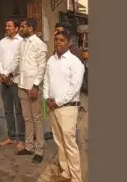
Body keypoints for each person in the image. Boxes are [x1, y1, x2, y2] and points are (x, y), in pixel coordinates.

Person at [44, 29, 86, 182]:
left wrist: (58, 101)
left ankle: (76, 178)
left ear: (69, 43)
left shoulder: (75, 62)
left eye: (62, 40)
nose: (58, 43)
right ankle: (65, 173)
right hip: (52, 107)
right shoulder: (51, 60)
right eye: (56, 40)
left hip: (68, 108)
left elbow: (75, 87)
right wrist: (47, 97)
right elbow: (46, 81)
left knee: (69, 144)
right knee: (59, 142)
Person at [13, 18, 48, 163]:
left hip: (33, 87)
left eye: (23, 27)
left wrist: (35, 86)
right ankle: (29, 146)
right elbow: (17, 61)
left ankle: (39, 150)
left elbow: (42, 67)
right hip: (22, 84)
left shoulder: (39, 44)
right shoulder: (22, 43)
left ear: (31, 28)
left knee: (37, 119)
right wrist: (6, 73)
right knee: (27, 118)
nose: (20, 29)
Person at [0, 18, 25, 147]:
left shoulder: (21, 42)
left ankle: (21, 138)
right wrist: (3, 74)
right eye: (6, 26)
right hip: (4, 80)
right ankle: (11, 136)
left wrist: (8, 74)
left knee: (19, 110)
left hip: (16, 79)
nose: (7, 28)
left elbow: (19, 61)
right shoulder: (2, 42)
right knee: (8, 110)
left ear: (16, 28)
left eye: (9, 26)